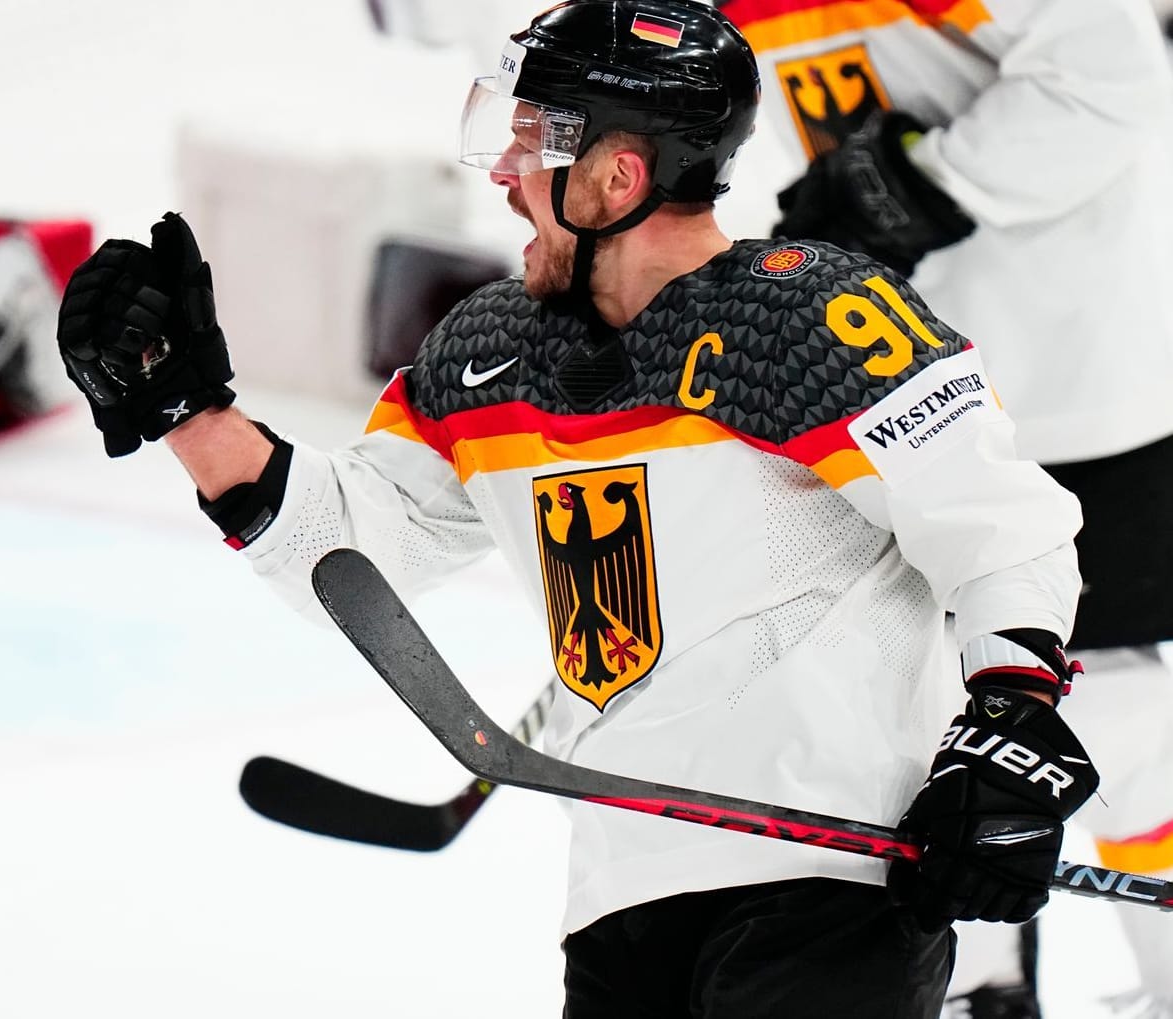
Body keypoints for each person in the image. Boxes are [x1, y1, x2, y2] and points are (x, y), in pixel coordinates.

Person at [56, 3, 1103, 1015]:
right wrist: (188, 413)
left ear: (617, 174)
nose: (506, 177)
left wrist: (1006, 724)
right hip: (622, 885)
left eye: (530, 144)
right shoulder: (485, 353)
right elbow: (358, 559)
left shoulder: (810, 318)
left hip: (832, 875)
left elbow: (1003, 529)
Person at [709, 0, 1173, 1014]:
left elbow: (1109, 72)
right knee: (906, 692)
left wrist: (919, 182)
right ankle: (981, 979)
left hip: (1075, 375)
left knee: (1116, 709)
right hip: (905, 384)